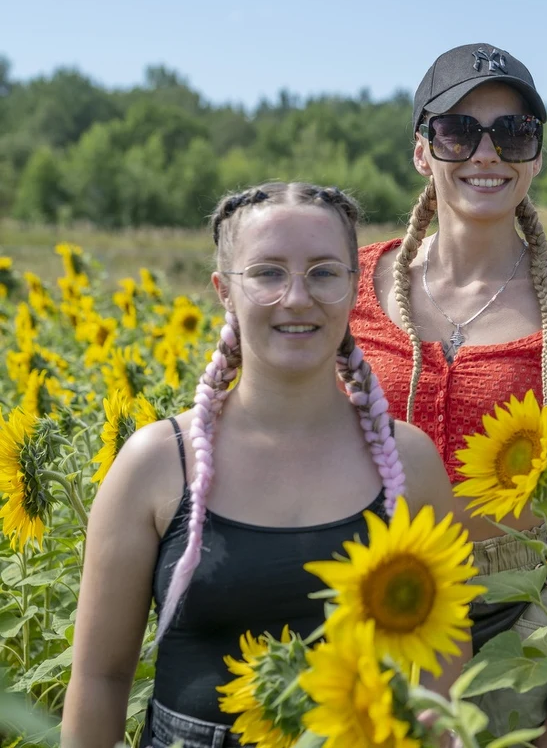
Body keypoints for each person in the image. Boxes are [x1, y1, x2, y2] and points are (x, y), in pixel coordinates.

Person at [64, 182, 459, 748]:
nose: (297, 297)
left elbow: (443, 682)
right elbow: (99, 681)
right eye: (268, 273)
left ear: (354, 287)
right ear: (224, 290)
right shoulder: (155, 463)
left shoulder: (410, 462)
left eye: (324, 273)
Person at [348, 44, 547, 743]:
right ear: (422, 151)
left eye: (513, 133)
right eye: (457, 131)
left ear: (536, 157)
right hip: (371, 596)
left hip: (522, 621)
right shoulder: (348, 283)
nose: (486, 153)